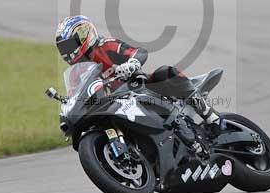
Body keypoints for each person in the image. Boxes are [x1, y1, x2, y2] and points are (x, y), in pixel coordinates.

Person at [55, 15, 220, 126]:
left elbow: (139, 52)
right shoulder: (76, 73)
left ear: (83, 36)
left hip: (139, 89)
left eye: (69, 45)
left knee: (165, 72)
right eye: (63, 48)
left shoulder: (105, 45)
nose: (67, 51)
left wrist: (131, 64)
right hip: (112, 108)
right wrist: (68, 106)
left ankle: (211, 117)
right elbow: (75, 95)